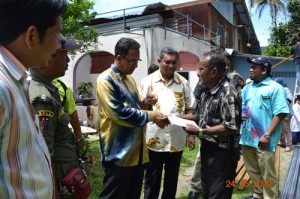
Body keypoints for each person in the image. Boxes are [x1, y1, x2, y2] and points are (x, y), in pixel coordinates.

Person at [0, 1, 66, 198]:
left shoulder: (17, 80)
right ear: (31, 36)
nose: (57, 46)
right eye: (56, 36)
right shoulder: (2, 86)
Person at [96, 37, 166, 199]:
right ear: (119, 58)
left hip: (137, 154)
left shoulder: (130, 79)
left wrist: (146, 103)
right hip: (119, 154)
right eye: (132, 61)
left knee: (133, 195)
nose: (135, 65)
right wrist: (152, 115)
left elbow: (134, 108)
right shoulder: (105, 81)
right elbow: (119, 114)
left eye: (137, 60)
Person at [28, 35, 84, 197]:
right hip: (59, 183)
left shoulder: (49, 89)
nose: (67, 60)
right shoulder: (42, 98)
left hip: (66, 176)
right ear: (50, 56)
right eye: (64, 54)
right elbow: (44, 154)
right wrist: (54, 192)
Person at [140, 47, 195, 199]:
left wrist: (191, 135)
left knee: (172, 180)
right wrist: (146, 102)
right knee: (152, 180)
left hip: (176, 140)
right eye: (167, 62)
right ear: (159, 61)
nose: (171, 66)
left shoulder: (183, 83)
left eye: (174, 63)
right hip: (153, 141)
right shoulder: (147, 82)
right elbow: (138, 109)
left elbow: (191, 109)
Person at [185, 51, 242, 199]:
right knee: (208, 192)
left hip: (223, 156)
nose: (197, 74)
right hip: (208, 150)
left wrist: (201, 132)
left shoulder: (228, 93)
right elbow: (198, 115)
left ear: (214, 72)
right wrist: (173, 118)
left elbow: (230, 126)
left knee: (219, 194)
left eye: (201, 69)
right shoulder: (206, 91)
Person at [239, 57, 289, 199]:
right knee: (253, 170)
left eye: (254, 67)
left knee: (268, 173)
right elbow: (243, 108)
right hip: (247, 137)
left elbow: (280, 113)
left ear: (264, 70)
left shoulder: (275, 88)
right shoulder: (247, 88)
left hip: (264, 140)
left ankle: (269, 197)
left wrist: (267, 135)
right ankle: (258, 194)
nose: (250, 69)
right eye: (251, 67)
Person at [52, 38, 85, 149]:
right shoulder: (26, 82)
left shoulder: (63, 86)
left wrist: (79, 137)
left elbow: (72, 113)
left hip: (58, 145)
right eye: (64, 54)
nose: (68, 60)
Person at [275, 77, 293, 152]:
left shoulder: (286, 89)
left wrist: (281, 104)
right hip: (280, 112)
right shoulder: (278, 90)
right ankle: (282, 142)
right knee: (281, 129)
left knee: (286, 129)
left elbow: (289, 99)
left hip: (286, 113)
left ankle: (289, 145)